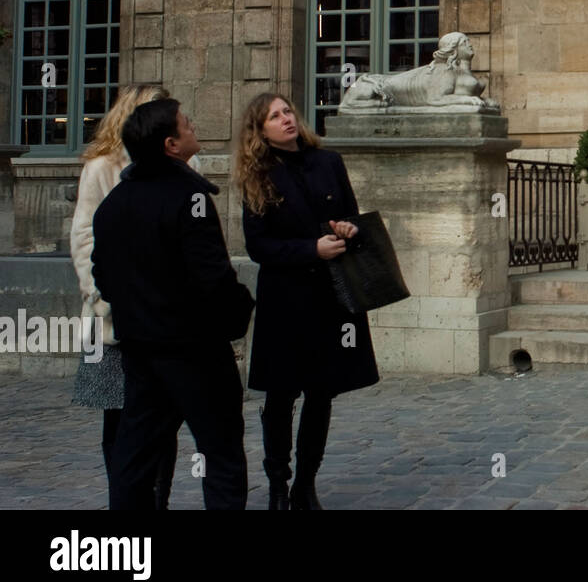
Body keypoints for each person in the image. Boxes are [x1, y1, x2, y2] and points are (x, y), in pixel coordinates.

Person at [92, 98, 255, 510]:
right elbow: (212, 277)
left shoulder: (115, 203)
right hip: (194, 351)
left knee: (135, 459)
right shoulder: (190, 199)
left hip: (141, 350)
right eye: (186, 123)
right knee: (220, 454)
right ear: (171, 144)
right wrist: (238, 312)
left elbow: (104, 277)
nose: (193, 125)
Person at [234, 93, 378, 510]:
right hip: (286, 300)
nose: (285, 119)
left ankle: (306, 484)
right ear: (259, 131)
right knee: (281, 396)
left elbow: (354, 216)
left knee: (321, 393)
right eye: (274, 117)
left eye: (287, 112)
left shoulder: (328, 162)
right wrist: (309, 250)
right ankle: (278, 483)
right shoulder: (257, 174)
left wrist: (348, 229)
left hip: (330, 298)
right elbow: (259, 245)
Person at [70, 84, 179, 507]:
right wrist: (103, 299)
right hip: (112, 320)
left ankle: (158, 499)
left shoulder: (178, 163)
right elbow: (84, 239)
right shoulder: (101, 167)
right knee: (118, 419)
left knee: (164, 420)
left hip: (162, 316)